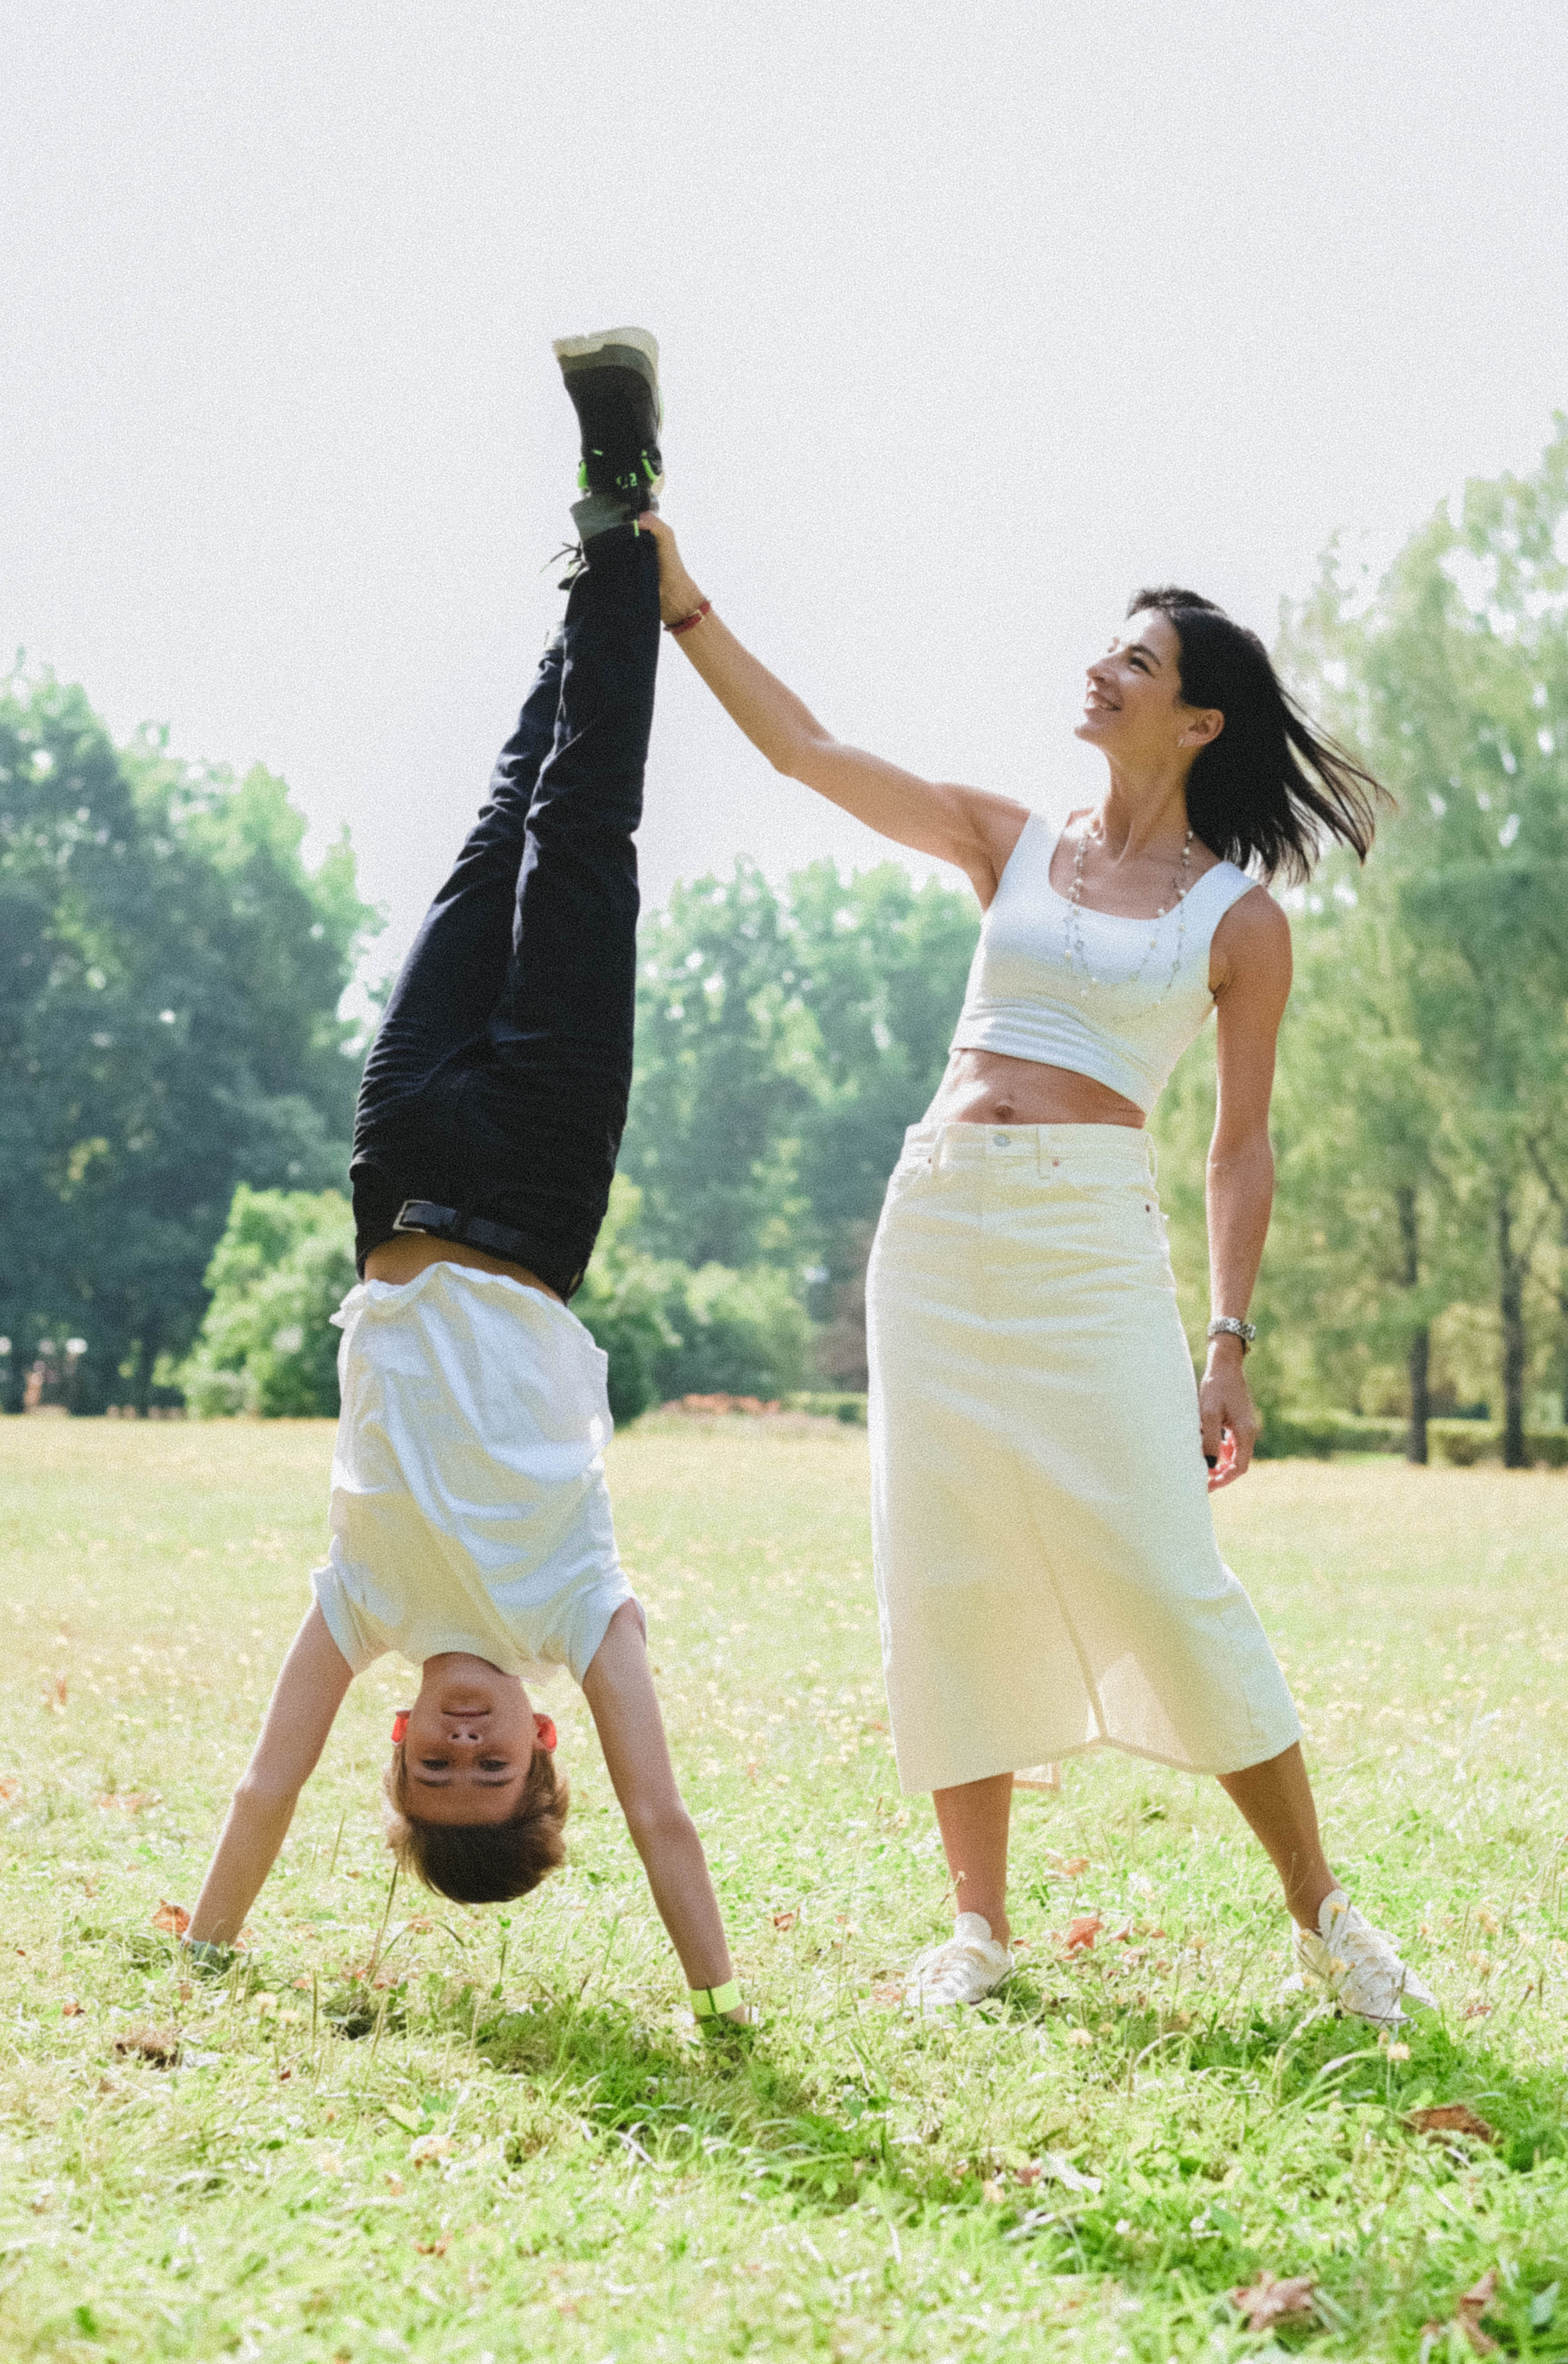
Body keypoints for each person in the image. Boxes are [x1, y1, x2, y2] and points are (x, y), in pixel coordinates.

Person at [634, 509, 1435, 2030]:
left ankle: (1325, 1918)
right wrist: (683, 606)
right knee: (943, 1564)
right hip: (934, 1225)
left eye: (1132, 661)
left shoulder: (1238, 921)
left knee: (1164, 1571)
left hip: (1086, 1242)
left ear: (1197, 720)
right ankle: (977, 1931)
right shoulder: (1005, 840)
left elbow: (1236, 1150)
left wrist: (1226, 1339)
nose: (1098, 670)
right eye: (1106, 648)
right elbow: (804, 750)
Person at [182, 332, 749, 2029]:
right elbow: (664, 1817)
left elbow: (264, 1790)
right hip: (549, 1183)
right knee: (585, 833)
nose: (459, 1741)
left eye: (431, 1766)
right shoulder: (582, 1613)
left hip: (406, 1161)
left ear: (402, 1748)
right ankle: (627, 502)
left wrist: (204, 1954)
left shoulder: (359, 1606)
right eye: (487, 1768)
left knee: (498, 824)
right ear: (539, 1754)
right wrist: (722, 2014)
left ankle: (599, 557)